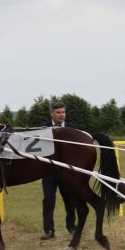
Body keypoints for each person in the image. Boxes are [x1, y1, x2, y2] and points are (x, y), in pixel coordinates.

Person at [39, 101, 76, 240]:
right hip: (48, 171)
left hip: (67, 171)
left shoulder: (72, 129)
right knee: (48, 200)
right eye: (58, 112)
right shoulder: (43, 128)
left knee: (70, 200)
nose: (62, 115)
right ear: (51, 114)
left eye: (63, 112)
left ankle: (72, 226)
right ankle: (49, 230)